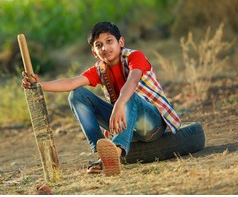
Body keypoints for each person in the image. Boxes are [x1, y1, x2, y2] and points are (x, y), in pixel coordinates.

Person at [21, 21, 181, 176]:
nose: (105, 48)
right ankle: (103, 152)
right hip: (127, 125)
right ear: (94, 52)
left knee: (130, 95)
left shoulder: (134, 56)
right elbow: (71, 83)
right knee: (77, 94)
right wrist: (39, 84)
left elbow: (132, 81)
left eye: (109, 41)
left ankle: (115, 153)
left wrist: (119, 104)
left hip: (152, 124)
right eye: (99, 45)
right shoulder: (100, 69)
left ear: (121, 42)